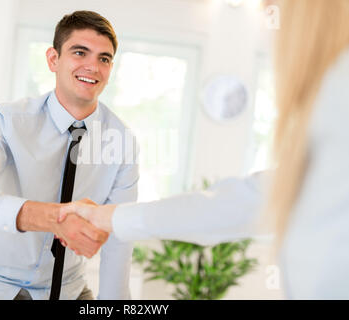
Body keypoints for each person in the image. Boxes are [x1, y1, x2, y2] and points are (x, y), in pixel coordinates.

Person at [59, 0, 349, 299]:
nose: (268, 10)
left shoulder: (338, 90)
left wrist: (112, 218)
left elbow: (253, 202)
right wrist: (113, 218)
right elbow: (260, 199)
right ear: (53, 59)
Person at [0, 11, 139, 300]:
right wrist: (51, 217)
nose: (93, 66)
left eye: (104, 58)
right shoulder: (7, 120)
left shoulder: (123, 142)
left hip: (68, 289)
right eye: (80, 52)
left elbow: (119, 237)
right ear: (53, 59)